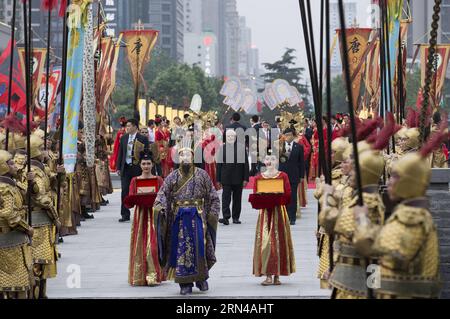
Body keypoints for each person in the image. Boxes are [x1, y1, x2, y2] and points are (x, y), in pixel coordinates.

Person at [153, 140, 220, 295]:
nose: (185, 158)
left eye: (188, 155)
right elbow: (162, 194)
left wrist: (212, 213)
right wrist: (160, 207)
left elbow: (213, 196)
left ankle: (201, 277)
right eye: (181, 155)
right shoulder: (172, 176)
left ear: (193, 157)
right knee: (181, 247)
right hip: (179, 218)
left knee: (199, 246)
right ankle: (185, 283)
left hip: (197, 216)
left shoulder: (202, 175)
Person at [249, 152, 295, 286]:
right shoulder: (259, 178)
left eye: (273, 159)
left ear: (277, 161)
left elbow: (288, 194)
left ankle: (277, 274)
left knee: (279, 241)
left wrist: (277, 197)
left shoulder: (283, 176)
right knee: (266, 241)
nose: (270, 161)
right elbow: (255, 194)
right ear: (264, 161)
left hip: (278, 212)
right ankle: (268, 274)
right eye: (267, 158)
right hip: (265, 214)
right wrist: (263, 197)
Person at [124, 150, 164, 286]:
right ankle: (139, 275)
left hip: (154, 215)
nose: (146, 166)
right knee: (140, 243)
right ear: (140, 165)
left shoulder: (158, 180)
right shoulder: (135, 180)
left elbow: (163, 198)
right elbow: (130, 198)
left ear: (152, 165)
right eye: (143, 164)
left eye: (148, 163)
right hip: (140, 216)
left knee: (153, 245)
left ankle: (153, 274)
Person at [0, 149, 34, 299]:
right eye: (11, 163)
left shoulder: (12, 184)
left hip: (14, 239)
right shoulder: (4, 188)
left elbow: (26, 198)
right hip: (9, 239)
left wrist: (30, 182)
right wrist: (27, 228)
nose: (15, 166)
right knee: (15, 286)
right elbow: (9, 214)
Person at [116, 119, 149, 222]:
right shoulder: (124, 138)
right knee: (125, 191)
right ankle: (125, 214)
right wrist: (118, 167)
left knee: (139, 191)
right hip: (126, 168)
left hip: (138, 168)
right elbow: (120, 153)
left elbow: (146, 153)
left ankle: (142, 213)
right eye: (127, 126)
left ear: (135, 127)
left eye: (129, 126)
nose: (127, 128)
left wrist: (146, 167)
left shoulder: (142, 138)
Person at [217, 130, 249, 225]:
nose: (230, 138)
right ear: (226, 138)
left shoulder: (241, 148)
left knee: (237, 198)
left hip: (238, 177)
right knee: (225, 198)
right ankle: (226, 217)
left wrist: (246, 178)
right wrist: (218, 179)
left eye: (232, 136)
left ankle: (236, 217)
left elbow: (245, 164)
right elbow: (219, 165)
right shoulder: (222, 148)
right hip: (226, 177)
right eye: (228, 136)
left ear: (235, 137)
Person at [278, 128, 305, 225]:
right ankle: (283, 216)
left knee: (293, 197)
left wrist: (302, 176)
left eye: (290, 134)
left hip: (294, 175)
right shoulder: (279, 146)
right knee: (283, 196)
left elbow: (301, 163)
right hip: (282, 175)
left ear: (293, 136)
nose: (288, 137)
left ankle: (292, 217)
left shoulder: (299, 147)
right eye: (286, 135)